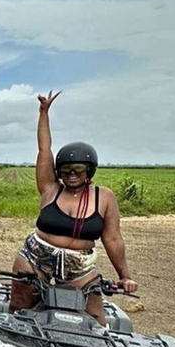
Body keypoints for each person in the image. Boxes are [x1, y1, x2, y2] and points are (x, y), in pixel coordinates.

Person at [9, 90, 138, 325]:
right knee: (18, 307)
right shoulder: (50, 188)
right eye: (66, 169)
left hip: (79, 266)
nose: (71, 174)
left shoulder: (104, 197)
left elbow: (113, 239)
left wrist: (124, 276)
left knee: (96, 321)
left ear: (90, 170)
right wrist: (43, 113)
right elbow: (44, 149)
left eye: (78, 169)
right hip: (36, 257)